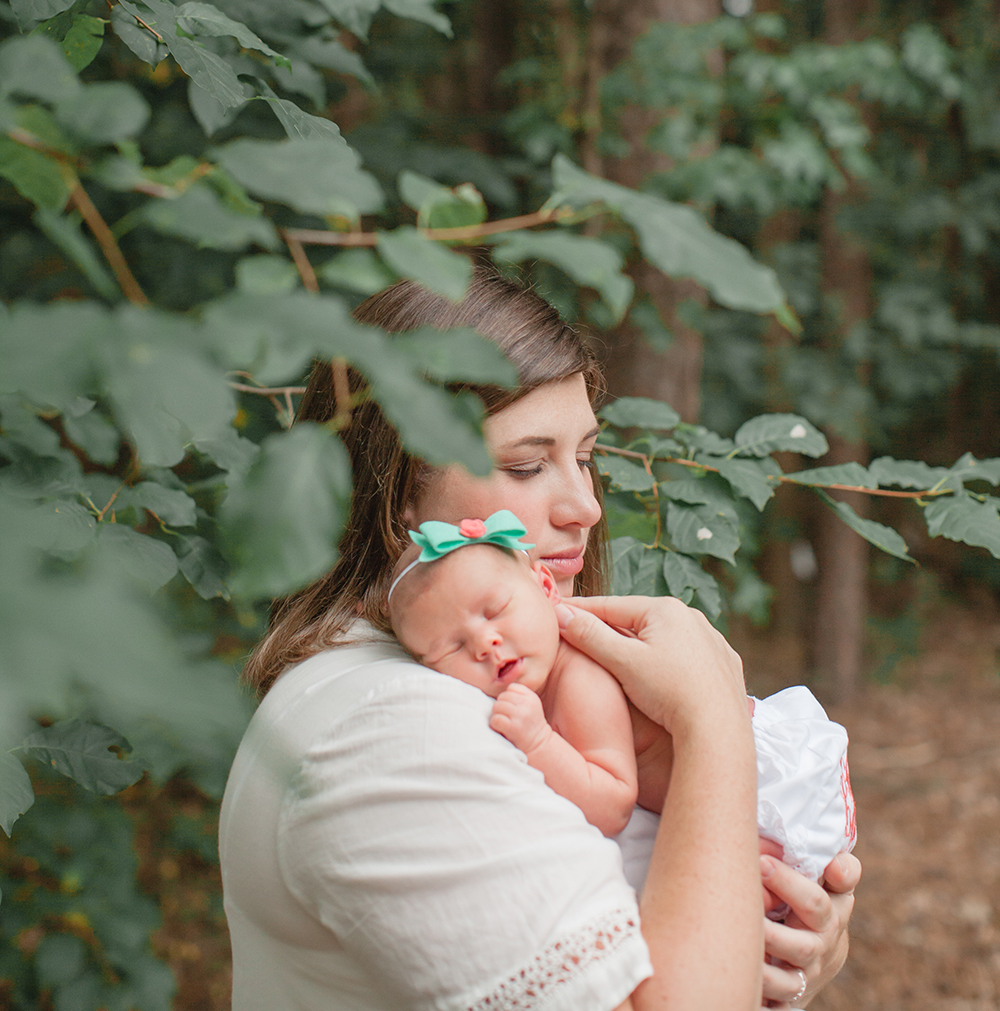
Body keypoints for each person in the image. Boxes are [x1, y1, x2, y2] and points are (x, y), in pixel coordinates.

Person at [222, 268, 860, 1010]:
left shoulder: (462, 685)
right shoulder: (400, 734)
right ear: (400, 498)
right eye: (526, 465)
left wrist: (795, 941)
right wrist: (712, 719)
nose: (585, 506)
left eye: (585, 458)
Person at [385, 513, 857, 900]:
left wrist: (537, 740)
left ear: (544, 587)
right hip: (708, 784)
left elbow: (611, 804)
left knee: (742, 898)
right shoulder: (534, 672)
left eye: (495, 611)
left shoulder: (580, 678)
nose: (485, 644)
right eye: (451, 648)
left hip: (767, 792)